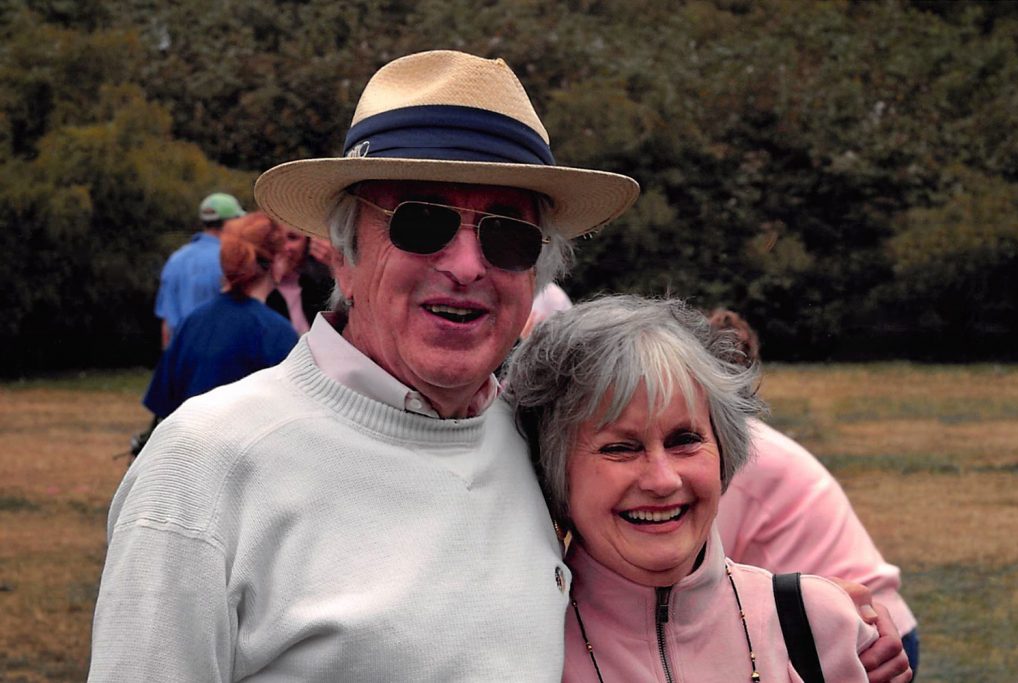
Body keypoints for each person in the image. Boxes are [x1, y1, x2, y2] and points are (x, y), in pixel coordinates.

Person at [89, 50, 639, 681]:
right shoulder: (207, 461)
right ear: (343, 258)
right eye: (421, 222)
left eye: (506, 234)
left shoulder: (540, 445)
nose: (466, 266)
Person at [503, 295, 894, 681]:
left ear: (724, 449)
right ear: (553, 470)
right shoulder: (519, 650)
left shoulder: (819, 625)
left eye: (684, 439)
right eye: (621, 448)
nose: (663, 479)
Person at [708, 307, 920, 675]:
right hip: (855, 625)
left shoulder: (738, 455)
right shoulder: (744, 442)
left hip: (862, 636)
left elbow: (691, 570)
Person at [141, 212, 299, 420]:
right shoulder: (276, 333)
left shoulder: (193, 322)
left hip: (188, 448)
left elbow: (162, 403)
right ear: (277, 260)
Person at [154, 192, 246, 348]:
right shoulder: (231, 260)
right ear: (230, 222)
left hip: (181, 356)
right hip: (218, 354)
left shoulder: (175, 260)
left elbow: (167, 325)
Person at [265, 227, 335, 334]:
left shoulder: (316, 285)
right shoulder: (253, 286)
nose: (285, 247)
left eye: (292, 238)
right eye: (276, 240)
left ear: (308, 244)